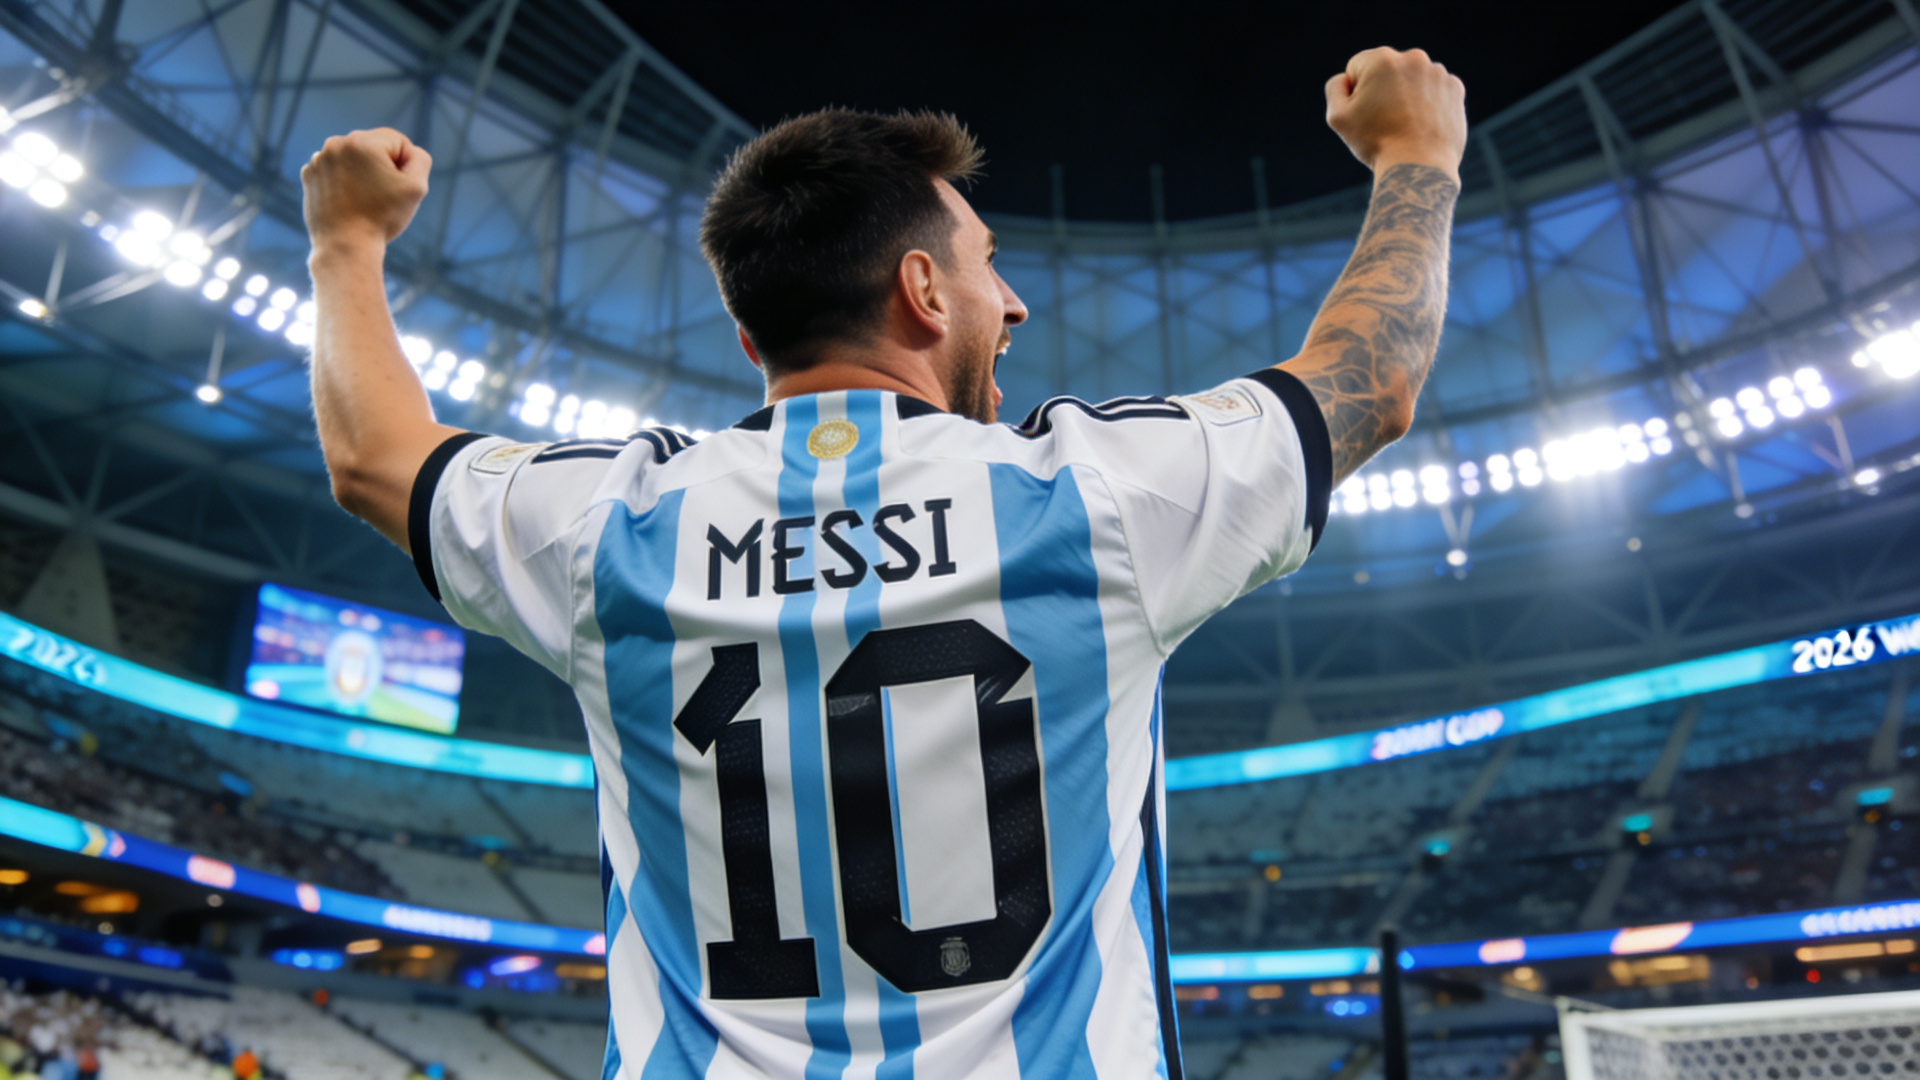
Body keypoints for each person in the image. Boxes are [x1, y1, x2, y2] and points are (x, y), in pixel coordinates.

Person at [302, 45, 1465, 1080]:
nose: (1011, 304)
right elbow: (1369, 379)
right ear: (921, 290)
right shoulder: (1092, 497)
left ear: (752, 338)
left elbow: (372, 459)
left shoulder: (611, 523)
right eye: (987, 264)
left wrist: (345, 241)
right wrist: (1417, 154)